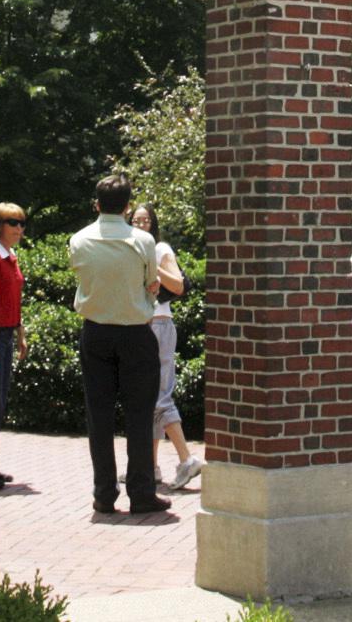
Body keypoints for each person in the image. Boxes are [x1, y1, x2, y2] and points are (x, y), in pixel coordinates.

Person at [68, 174, 168, 515]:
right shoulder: (143, 241)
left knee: (99, 415)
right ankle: (141, 493)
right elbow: (152, 283)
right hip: (136, 334)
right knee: (139, 415)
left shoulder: (78, 240)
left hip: (95, 332)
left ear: (97, 204)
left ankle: (104, 494)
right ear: (128, 206)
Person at [131, 204, 204, 491]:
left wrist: (153, 263)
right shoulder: (132, 246)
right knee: (148, 398)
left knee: (160, 396)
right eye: (136, 220)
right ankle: (151, 466)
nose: (141, 224)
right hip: (142, 324)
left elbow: (179, 286)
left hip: (159, 324)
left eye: (146, 219)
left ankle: (187, 460)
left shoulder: (159, 248)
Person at [0, 202, 30, 491]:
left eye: (21, 223)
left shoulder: (10, 257)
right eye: (12, 222)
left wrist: (20, 332)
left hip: (7, 335)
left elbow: (13, 300)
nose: (19, 228)